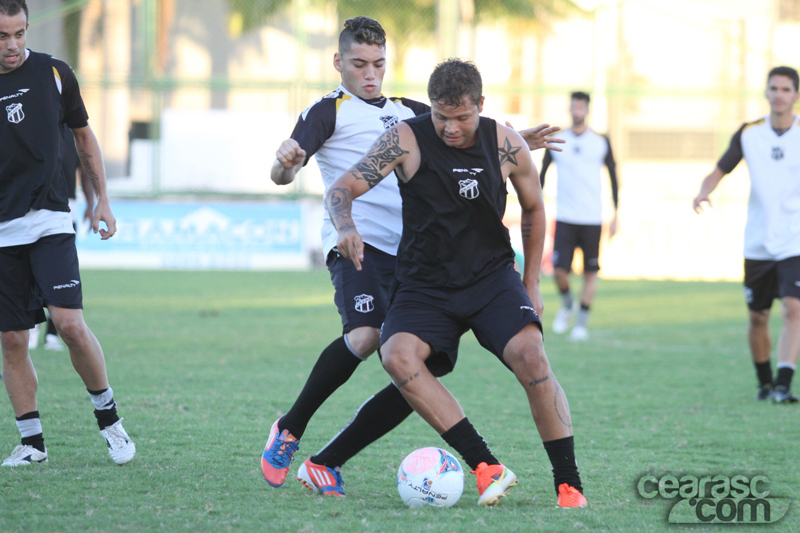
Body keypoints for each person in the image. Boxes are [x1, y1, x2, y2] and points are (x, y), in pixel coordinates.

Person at [262, 16, 563, 488]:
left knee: (417, 367)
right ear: (338, 62)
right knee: (366, 336)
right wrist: (285, 165)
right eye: (359, 64)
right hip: (357, 244)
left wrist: (518, 141)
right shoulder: (327, 111)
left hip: (414, 257)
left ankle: (328, 462)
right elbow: (285, 174)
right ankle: (289, 428)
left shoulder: (407, 111)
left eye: (378, 64)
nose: (370, 74)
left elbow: (457, 128)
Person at [323, 58, 586, 507]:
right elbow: (340, 189)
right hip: (424, 285)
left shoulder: (506, 144)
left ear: (481, 104)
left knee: (531, 355)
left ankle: (569, 484)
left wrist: (532, 283)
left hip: (491, 278)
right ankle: (486, 466)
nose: (449, 127)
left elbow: (535, 209)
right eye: (440, 116)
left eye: (461, 117)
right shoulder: (405, 138)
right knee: (396, 355)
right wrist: (345, 225)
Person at [0, 0, 135, 466]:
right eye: (2, 36)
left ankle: (111, 423)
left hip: (50, 220)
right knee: (12, 339)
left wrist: (102, 200)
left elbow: (83, 137)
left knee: (71, 325)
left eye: (19, 33)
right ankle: (32, 444)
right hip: (2, 231)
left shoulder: (55, 73)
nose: (13, 44)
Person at [693, 66, 800, 404]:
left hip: (794, 239)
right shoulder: (749, 133)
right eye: (774, 88)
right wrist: (704, 191)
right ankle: (765, 382)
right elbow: (720, 169)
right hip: (757, 242)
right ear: (766, 92)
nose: (779, 95)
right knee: (757, 317)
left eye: (786, 89)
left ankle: (783, 384)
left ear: (796, 95)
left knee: (793, 309)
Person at [540, 91, 619, 341]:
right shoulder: (557, 140)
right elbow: (540, 175)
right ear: (569, 108)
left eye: (581, 107)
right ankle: (567, 304)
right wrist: (536, 207)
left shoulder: (601, 142)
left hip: (592, 219)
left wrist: (616, 213)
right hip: (565, 217)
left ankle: (581, 324)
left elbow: (614, 176)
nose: (577, 111)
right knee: (559, 270)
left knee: (590, 273)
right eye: (574, 107)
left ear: (587, 110)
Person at [28, 125, 93, 352]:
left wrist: (91, 204)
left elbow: (85, 170)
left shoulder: (74, 132)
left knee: (60, 275)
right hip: (34, 209)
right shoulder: (33, 125)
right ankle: (32, 327)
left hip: (67, 211)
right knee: (31, 274)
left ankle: (52, 335)